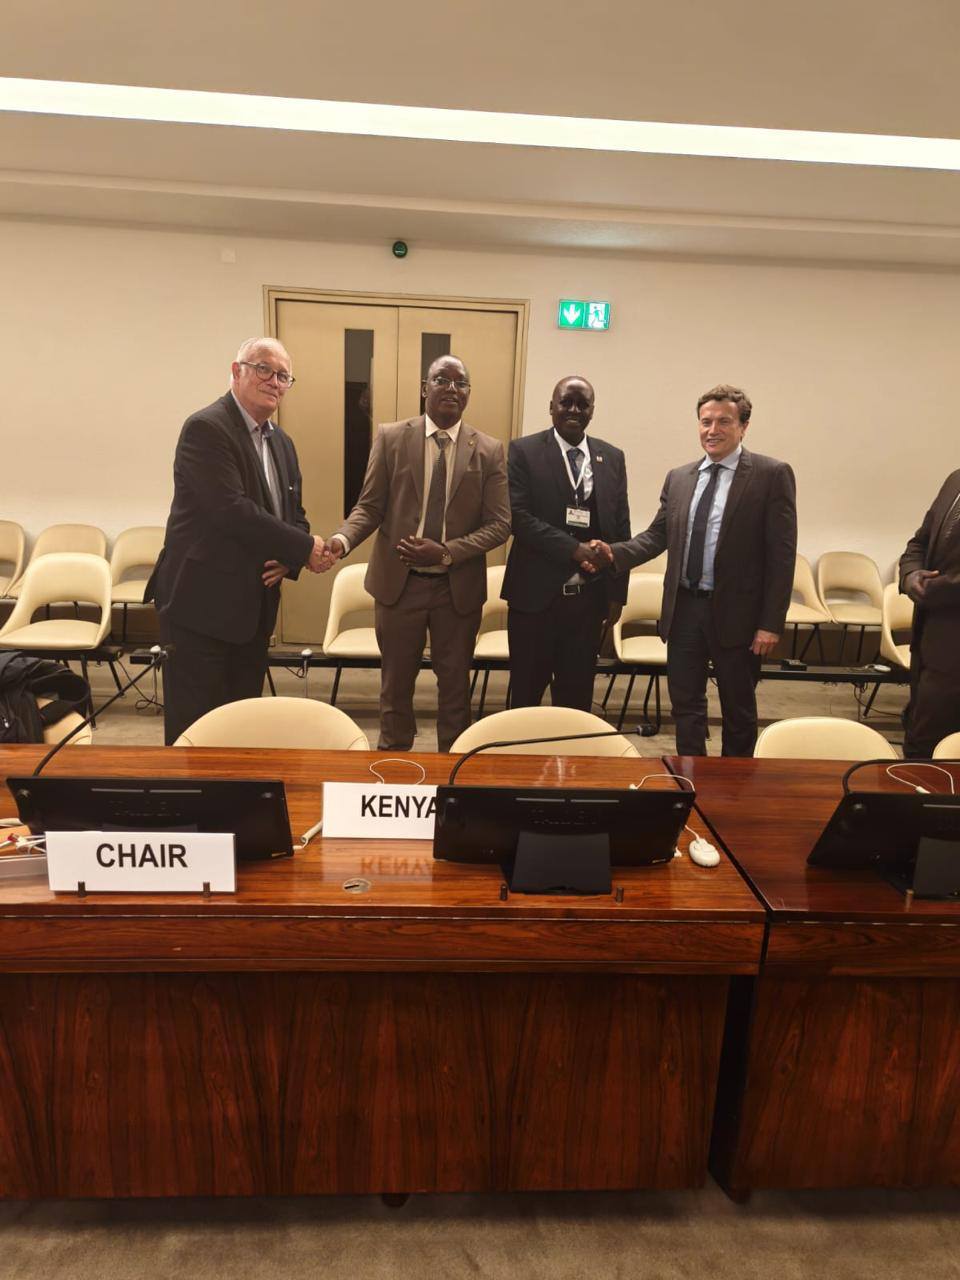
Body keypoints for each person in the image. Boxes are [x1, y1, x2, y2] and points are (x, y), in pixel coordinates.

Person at [589, 384, 796, 756]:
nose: (712, 430)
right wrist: (613, 554)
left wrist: (770, 623)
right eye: (705, 422)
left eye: (723, 422)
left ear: (743, 426)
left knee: (738, 710)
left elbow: (782, 556)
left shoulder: (771, 475)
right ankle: (690, 780)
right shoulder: (680, 478)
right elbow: (656, 536)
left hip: (739, 615)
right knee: (685, 707)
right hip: (684, 609)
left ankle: (734, 786)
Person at [319, 355, 511, 752]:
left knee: (456, 690)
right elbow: (369, 507)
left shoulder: (489, 450)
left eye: (461, 383)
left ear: (468, 394)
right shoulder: (391, 438)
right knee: (394, 688)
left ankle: (453, 778)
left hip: (455, 590)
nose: (452, 389)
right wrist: (340, 542)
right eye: (442, 380)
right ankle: (391, 769)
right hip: (398, 587)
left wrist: (445, 553)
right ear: (425, 388)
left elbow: (500, 524)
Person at [147, 337, 325, 744]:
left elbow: (293, 514)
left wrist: (291, 557)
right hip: (199, 609)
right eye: (264, 368)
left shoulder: (282, 442)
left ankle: (234, 806)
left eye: (283, 375)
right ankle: (189, 808)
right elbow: (231, 509)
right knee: (196, 732)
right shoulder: (207, 428)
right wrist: (303, 549)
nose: (274, 381)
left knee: (240, 727)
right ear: (236, 370)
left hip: (253, 611)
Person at [501, 375, 630, 710]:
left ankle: (570, 763)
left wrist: (617, 593)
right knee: (526, 697)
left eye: (582, 403)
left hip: (587, 603)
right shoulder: (523, 451)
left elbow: (621, 527)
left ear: (592, 411)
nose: (574, 409)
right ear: (551, 407)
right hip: (533, 601)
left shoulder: (612, 457)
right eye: (566, 402)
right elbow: (518, 517)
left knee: (576, 699)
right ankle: (521, 760)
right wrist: (574, 549)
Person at [898, 467, 960, 758]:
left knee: (942, 751)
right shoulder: (955, 480)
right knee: (920, 745)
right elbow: (919, 542)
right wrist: (910, 575)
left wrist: (935, 590)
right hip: (929, 644)